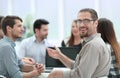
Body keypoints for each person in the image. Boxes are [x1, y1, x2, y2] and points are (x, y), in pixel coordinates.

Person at [47, 8, 110, 78]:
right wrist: (60, 56)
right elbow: (77, 66)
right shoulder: (93, 42)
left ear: (96, 23)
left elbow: (81, 76)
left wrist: (57, 74)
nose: (81, 25)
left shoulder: (93, 45)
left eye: (86, 21)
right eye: (79, 21)